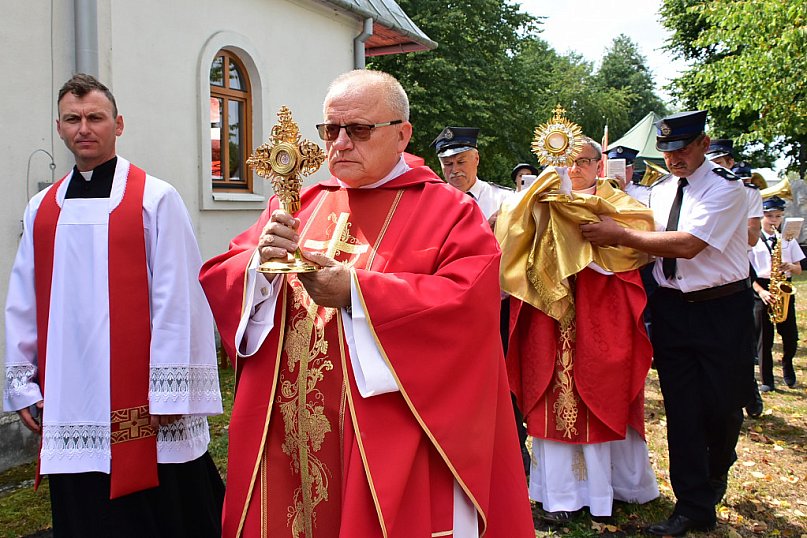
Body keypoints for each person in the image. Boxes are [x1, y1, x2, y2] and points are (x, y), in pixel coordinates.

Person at [199, 69, 534, 538]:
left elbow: (466, 301)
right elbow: (224, 273)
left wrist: (357, 293)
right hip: (290, 429)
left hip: (383, 432)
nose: (339, 143)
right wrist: (260, 267)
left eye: (358, 129)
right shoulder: (301, 203)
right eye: (330, 129)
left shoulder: (447, 210)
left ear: (402, 134)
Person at [2, 73, 224, 537]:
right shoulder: (42, 208)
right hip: (71, 389)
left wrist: (169, 389)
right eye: (72, 119)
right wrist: (23, 381)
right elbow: (23, 298)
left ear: (118, 124)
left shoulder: (155, 199)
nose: (84, 128)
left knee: (165, 508)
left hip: (143, 392)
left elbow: (178, 297)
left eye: (95, 118)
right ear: (59, 127)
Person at [581, 110, 754, 536]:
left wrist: (620, 235)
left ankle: (716, 468)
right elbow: (637, 232)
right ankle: (692, 505)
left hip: (721, 309)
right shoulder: (659, 191)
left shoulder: (727, 189)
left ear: (704, 144)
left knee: (722, 406)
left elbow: (688, 245)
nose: (674, 159)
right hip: (672, 308)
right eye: (667, 151)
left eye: (682, 149)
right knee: (683, 408)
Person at [499, 137, 659, 523]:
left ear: (599, 164)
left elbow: (638, 241)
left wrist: (591, 237)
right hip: (548, 316)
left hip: (600, 311)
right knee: (552, 394)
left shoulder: (617, 202)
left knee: (603, 389)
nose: (574, 168)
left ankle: (609, 490)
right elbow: (511, 240)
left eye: (583, 161)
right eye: (567, 161)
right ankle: (559, 494)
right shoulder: (536, 198)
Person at [749, 195, 803, 390]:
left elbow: (799, 269)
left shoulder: (787, 240)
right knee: (764, 338)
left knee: (791, 336)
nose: (774, 220)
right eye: (769, 216)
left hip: (783, 287)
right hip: (762, 288)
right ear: (761, 216)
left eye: (778, 216)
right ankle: (767, 380)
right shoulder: (753, 240)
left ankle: (788, 366)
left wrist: (790, 266)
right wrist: (761, 292)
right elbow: (747, 273)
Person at [431, 126, 513, 225]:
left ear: (476, 159)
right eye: (448, 164)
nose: (455, 170)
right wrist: (487, 230)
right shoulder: (431, 203)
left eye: (461, 162)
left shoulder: (504, 200)